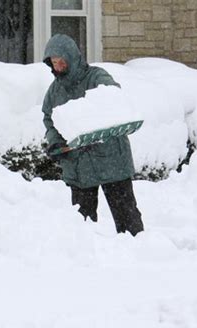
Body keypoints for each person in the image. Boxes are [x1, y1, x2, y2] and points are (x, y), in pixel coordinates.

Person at [42, 34, 144, 236]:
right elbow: (49, 120)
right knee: (83, 225)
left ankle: (139, 254)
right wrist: (55, 143)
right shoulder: (54, 92)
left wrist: (86, 116)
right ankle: (88, 262)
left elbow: (112, 94)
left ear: (72, 58)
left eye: (62, 61)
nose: (58, 66)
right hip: (79, 166)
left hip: (111, 160)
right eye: (54, 62)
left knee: (127, 218)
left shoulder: (96, 77)